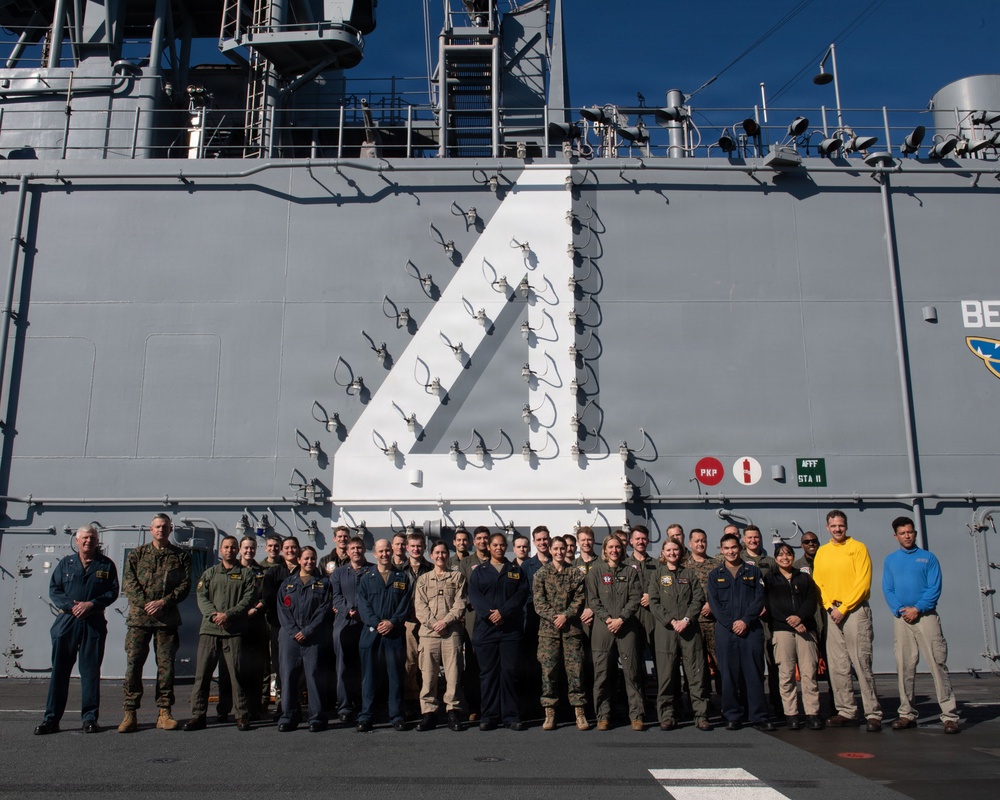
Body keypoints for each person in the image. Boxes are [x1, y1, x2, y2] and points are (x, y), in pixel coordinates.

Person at [34, 525, 120, 735]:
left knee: (90, 672)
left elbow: (113, 591)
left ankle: (90, 719)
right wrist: (72, 606)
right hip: (67, 622)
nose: (88, 541)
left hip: (93, 622)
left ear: (96, 541)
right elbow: (55, 590)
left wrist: (91, 604)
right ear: (77, 541)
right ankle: (51, 719)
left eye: (92, 538)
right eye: (85, 538)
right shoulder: (66, 564)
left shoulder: (106, 565)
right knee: (60, 672)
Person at [882, 516, 959, 734]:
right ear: (895, 536)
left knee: (937, 664)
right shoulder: (890, 560)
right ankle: (906, 714)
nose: (907, 536)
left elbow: (934, 588)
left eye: (910, 532)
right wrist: (900, 609)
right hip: (902, 617)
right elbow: (888, 588)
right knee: (904, 666)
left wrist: (918, 608)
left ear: (914, 533)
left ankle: (949, 715)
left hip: (925, 616)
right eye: (902, 533)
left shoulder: (928, 558)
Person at [120, 513, 191, 733]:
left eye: (165, 527)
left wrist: (163, 602)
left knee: (166, 668)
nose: (161, 530)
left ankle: (164, 712)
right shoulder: (137, 555)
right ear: (151, 529)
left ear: (171, 529)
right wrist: (146, 604)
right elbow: (129, 583)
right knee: (133, 666)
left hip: (166, 621)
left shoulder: (180, 556)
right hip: (139, 621)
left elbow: (185, 585)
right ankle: (130, 712)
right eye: (157, 527)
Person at [812, 510, 883, 731]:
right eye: (833, 526)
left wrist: (843, 608)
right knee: (837, 665)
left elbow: (863, 583)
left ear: (846, 526)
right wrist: (829, 607)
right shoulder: (822, 552)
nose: (837, 529)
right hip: (832, 612)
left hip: (854, 612)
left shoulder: (858, 548)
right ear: (827, 528)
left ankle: (873, 712)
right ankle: (846, 710)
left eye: (841, 525)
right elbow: (818, 582)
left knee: (862, 663)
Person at [184, 535, 258, 731]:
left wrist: (229, 615)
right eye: (226, 547)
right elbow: (202, 597)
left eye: (233, 547)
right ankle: (198, 715)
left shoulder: (246, 575)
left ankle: (241, 715)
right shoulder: (209, 574)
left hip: (234, 631)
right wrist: (214, 616)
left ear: (238, 550)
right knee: (202, 675)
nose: (230, 550)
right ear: (221, 550)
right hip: (210, 630)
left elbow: (249, 598)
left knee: (237, 675)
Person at [707, 533, 772, 731]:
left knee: (754, 674)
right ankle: (732, 715)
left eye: (733, 547)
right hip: (726, 632)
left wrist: (745, 621)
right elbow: (714, 604)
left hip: (750, 629)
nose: (730, 551)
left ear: (740, 548)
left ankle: (758, 715)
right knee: (728, 675)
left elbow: (759, 598)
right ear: (721, 550)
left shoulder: (753, 571)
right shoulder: (715, 574)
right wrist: (731, 623)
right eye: (726, 548)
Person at [648, 539, 712, 731]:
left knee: (695, 674)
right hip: (666, 631)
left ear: (681, 552)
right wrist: (671, 620)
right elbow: (654, 601)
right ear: (663, 552)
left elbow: (698, 598)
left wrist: (686, 619)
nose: (672, 553)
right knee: (666, 675)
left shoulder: (689, 574)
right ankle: (667, 715)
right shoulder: (657, 575)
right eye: (668, 550)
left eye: (675, 549)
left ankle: (700, 715)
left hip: (688, 630)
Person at [468, 533, 529, 730]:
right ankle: (489, 716)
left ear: (506, 547)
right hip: (486, 631)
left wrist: (503, 612)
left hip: (509, 630)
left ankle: (511, 716)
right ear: (489, 547)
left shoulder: (515, 570)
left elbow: (521, 595)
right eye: (495, 545)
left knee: (509, 673)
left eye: (502, 545)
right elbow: (475, 596)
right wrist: (490, 614)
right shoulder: (479, 571)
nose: (498, 548)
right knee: (488, 674)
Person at [587, 534, 644, 731]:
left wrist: (621, 619)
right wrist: (608, 619)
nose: (614, 550)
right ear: (604, 550)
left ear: (622, 549)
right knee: (602, 673)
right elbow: (593, 600)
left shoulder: (630, 571)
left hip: (626, 625)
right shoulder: (596, 572)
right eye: (610, 547)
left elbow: (635, 598)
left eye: (617, 547)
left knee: (632, 672)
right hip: (603, 626)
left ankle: (636, 715)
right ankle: (603, 716)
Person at [533, 535, 590, 731]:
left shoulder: (575, 574)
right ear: (550, 550)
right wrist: (555, 617)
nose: (558, 552)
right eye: (555, 549)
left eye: (562, 549)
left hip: (571, 630)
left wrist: (565, 616)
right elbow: (539, 603)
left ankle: (579, 713)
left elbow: (579, 599)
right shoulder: (541, 574)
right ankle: (550, 713)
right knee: (548, 672)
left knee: (576, 671)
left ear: (567, 550)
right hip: (549, 632)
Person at [356, 539, 413, 732]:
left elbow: (405, 604)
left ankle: (397, 715)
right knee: (369, 677)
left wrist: (392, 622)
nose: (384, 554)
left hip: (394, 633)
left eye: (387, 550)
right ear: (374, 554)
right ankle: (366, 716)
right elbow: (363, 606)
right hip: (371, 634)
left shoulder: (401, 577)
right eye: (381, 551)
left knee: (396, 676)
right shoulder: (365, 578)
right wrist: (377, 623)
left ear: (393, 551)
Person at [765, 542, 822, 730]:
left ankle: (812, 713)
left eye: (788, 554)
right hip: (782, 631)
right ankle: (791, 714)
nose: (784, 558)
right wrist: (790, 621)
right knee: (786, 673)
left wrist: (800, 618)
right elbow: (770, 604)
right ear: (775, 558)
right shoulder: (770, 579)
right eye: (780, 555)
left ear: (792, 556)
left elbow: (811, 600)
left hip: (805, 629)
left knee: (808, 673)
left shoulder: (804, 578)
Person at [276, 546, 332, 732]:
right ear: (299, 560)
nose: (310, 562)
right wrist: (294, 631)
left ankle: (316, 717)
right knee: (289, 677)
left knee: (314, 677)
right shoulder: (287, 584)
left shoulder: (324, 583)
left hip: (313, 637)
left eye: (313, 558)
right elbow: (283, 611)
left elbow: (324, 610)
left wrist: (307, 631)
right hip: (290, 638)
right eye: (306, 558)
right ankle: (288, 716)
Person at [414, 540, 467, 731]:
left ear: (447, 555)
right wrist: (434, 624)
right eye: (436, 553)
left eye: (443, 553)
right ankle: (429, 713)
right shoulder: (423, 579)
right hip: (428, 634)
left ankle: (453, 711)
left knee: (453, 675)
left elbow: (460, 603)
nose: (440, 556)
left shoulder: (458, 578)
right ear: (431, 556)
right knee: (428, 675)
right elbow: (420, 607)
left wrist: (446, 621)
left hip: (450, 633)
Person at [217, 536, 268, 721]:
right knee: (228, 668)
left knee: (254, 668)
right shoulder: (230, 570)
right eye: (245, 548)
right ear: (240, 549)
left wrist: (254, 609)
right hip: (234, 625)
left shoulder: (262, 572)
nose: (249, 551)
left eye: (252, 548)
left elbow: (265, 596)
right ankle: (224, 708)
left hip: (255, 625)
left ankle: (253, 708)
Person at [330, 536, 372, 723]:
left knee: (366, 666)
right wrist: (349, 610)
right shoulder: (338, 573)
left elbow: (374, 596)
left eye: (359, 547)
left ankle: (365, 704)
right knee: (343, 666)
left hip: (366, 623)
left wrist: (362, 613)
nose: (356, 551)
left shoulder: (373, 570)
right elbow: (335, 597)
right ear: (347, 552)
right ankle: (345, 706)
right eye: (352, 548)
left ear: (364, 550)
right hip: (344, 623)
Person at [262, 536, 299, 711]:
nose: (290, 551)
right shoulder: (274, 573)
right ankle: (281, 703)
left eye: (293, 547)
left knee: (300, 665)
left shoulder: (305, 570)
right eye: (287, 548)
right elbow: (268, 599)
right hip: (279, 625)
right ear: (282, 550)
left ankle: (296, 701)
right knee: (279, 664)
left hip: (301, 626)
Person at [458, 525, 492, 717]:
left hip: (493, 617)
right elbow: (462, 590)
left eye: (485, 538)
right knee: (472, 661)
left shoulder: (497, 559)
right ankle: (473, 706)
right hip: (473, 616)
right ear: (474, 541)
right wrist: (480, 606)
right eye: (478, 538)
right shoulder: (467, 563)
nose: (482, 541)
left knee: (491, 661)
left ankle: (491, 704)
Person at [684, 528, 722, 695]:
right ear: (690, 543)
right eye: (697, 541)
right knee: (697, 666)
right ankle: (701, 704)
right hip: (694, 624)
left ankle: (726, 703)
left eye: (703, 540)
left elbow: (723, 591)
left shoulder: (716, 565)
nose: (700, 543)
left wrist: (712, 605)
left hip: (714, 622)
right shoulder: (684, 567)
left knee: (720, 663)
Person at [402, 531, 433, 714]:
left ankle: (428, 701)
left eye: (419, 546)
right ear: (407, 548)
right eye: (412, 546)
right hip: (409, 621)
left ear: (424, 547)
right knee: (410, 662)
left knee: (427, 663)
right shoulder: (399, 571)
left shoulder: (430, 569)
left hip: (428, 622)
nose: (416, 549)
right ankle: (411, 699)